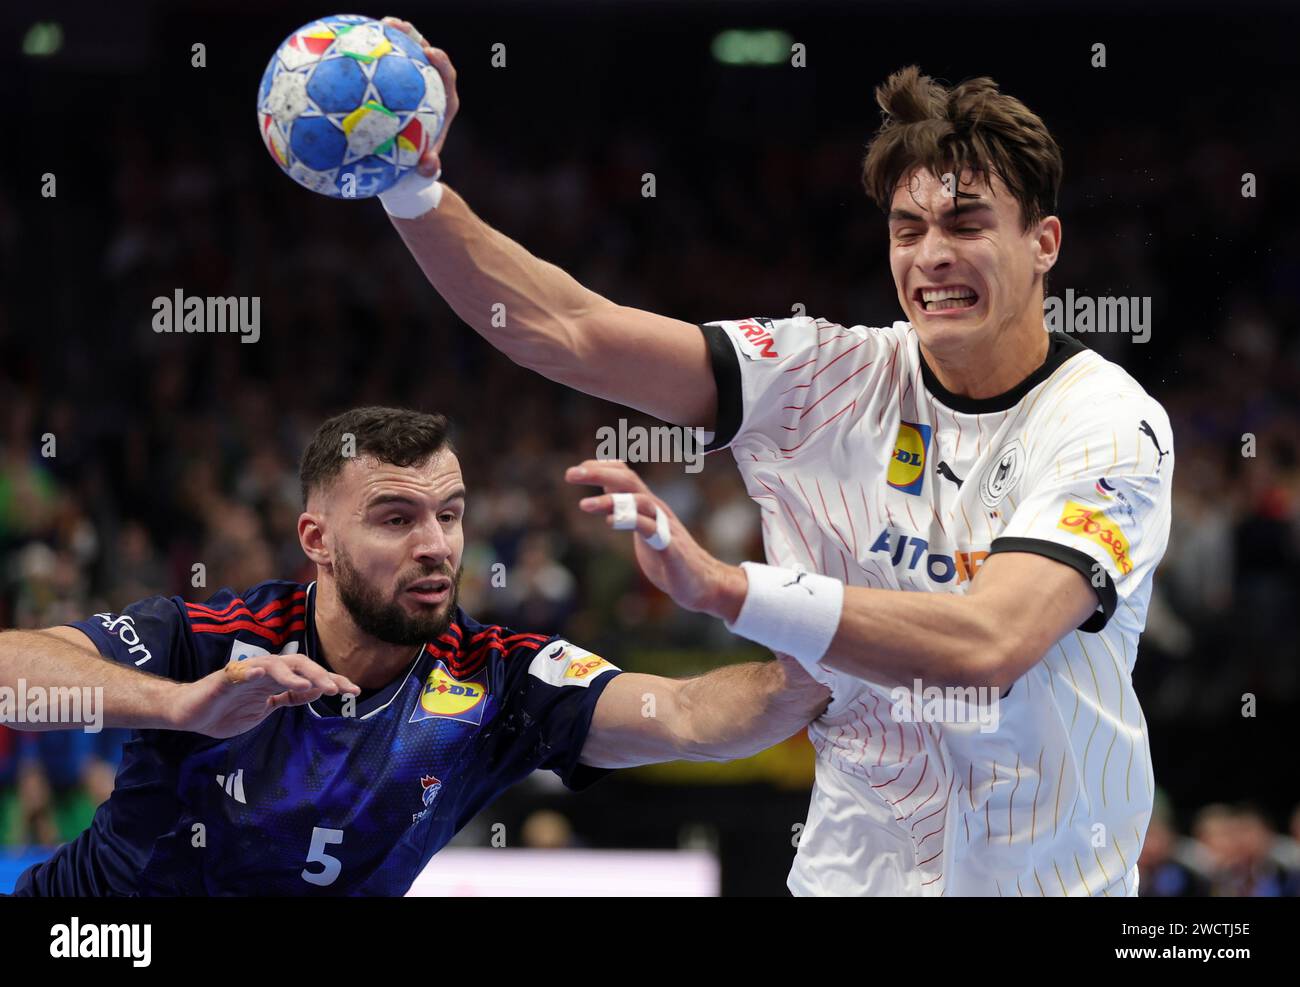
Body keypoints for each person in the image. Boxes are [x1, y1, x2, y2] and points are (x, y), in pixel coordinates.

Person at [379, 15, 1174, 896]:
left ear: (1045, 243)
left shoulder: (1107, 422)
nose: (931, 255)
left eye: (966, 222)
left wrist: (730, 589)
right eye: (907, 229)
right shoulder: (822, 377)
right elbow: (566, 329)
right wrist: (414, 188)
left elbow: (991, 640)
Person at [0, 407, 827, 896]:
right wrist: (179, 703)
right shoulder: (211, 637)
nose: (437, 545)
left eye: (451, 514)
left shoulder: (499, 678)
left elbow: (688, 714)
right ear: (317, 539)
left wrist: (823, 641)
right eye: (397, 518)